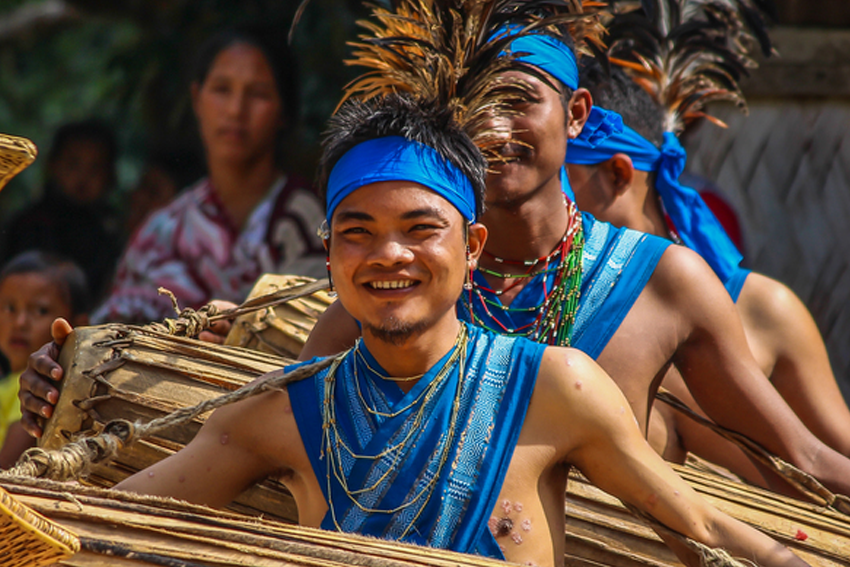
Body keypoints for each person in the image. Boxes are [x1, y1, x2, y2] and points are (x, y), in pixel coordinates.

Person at [110, 94, 804, 567]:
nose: (389, 255)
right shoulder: (282, 414)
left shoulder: (554, 386)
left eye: (420, 230)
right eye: (358, 233)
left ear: (471, 246)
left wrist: (789, 557)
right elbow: (99, 525)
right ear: (329, 256)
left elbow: (703, 524)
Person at [564, 62, 850, 476]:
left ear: (617, 173)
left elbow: (829, 455)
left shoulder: (765, 308)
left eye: (558, 179)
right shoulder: (549, 311)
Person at [91, 26, 326, 324]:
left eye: (258, 94)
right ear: (197, 98)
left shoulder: (310, 222)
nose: (235, 110)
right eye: (221, 89)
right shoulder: (163, 232)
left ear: (284, 111)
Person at [0, 119, 123, 302]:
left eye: (95, 168)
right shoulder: (34, 223)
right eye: (73, 165)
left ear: (110, 175)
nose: (83, 177)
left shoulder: (111, 227)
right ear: (53, 165)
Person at [0, 251, 89, 469]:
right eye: (9, 308)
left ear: (77, 325)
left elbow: (7, 470)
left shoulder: (37, 384)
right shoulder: (8, 382)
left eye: (40, 310)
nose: (20, 323)